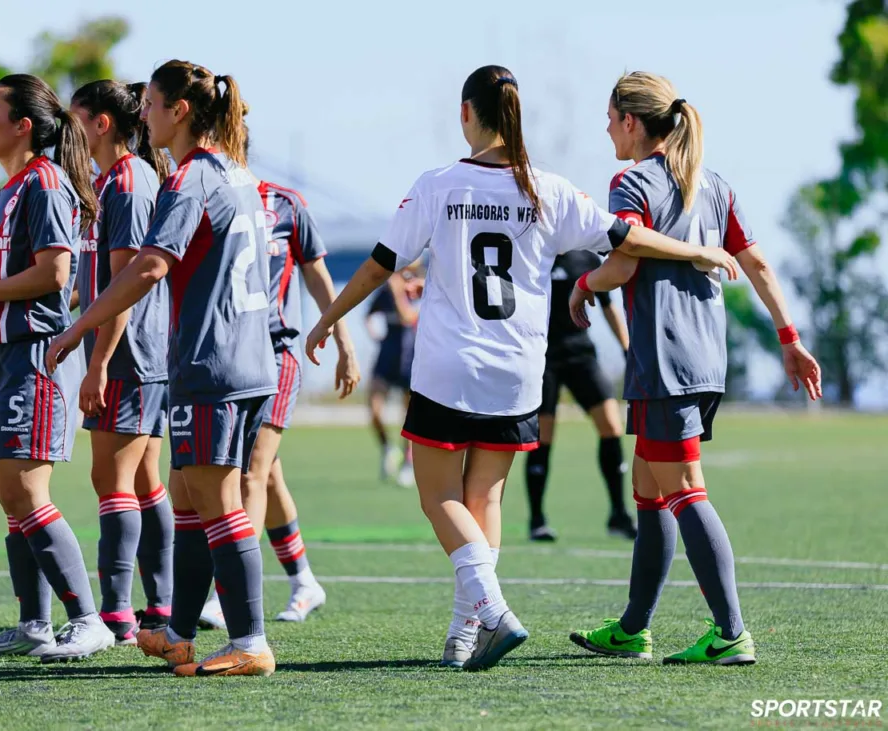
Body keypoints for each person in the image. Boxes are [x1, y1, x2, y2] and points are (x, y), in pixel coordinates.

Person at [304, 64, 739, 672]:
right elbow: (628, 240)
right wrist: (695, 250)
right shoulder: (550, 189)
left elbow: (381, 264)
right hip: (517, 374)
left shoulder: (438, 185)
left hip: (450, 369)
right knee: (484, 499)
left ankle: (493, 609)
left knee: (437, 497)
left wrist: (329, 319)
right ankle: (464, 635)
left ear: (466, 114)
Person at [568, 71, 822, 666]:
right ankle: (633, 629)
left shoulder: (632, 182)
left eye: (610, 118)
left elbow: (625, 261)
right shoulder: (713, 184)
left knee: (683, 488)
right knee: (648, 486)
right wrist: (789, 337)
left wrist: (582, 286)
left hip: (665, 357)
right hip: (704, 356)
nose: (606, 129)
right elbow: (757, 264)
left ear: (631, 122)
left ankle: (731, 632)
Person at [46, 60, 278, 678]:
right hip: (249, 361)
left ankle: (250, 641)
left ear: (180, 111)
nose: (142, 114)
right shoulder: (238, 173)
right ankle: (177, 632)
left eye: (150, 103)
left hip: (212, 363)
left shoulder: (189, 178)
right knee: (187, 497)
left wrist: (77, 329)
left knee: (218, 502)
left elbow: (149, 266)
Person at [0, 73, 114, 662]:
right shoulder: (6, 192)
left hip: (31, 355)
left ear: (23, 126)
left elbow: (55, 273)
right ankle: (33, 625)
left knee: (25, 490)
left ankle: (89, 621)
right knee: (9, 495)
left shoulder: (44, 182)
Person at [197, 166, 360, 630]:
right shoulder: (203, 197)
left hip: (276, 353)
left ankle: (230, 594)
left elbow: (318, 276)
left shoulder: (285, 204)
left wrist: (344, 344)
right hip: (228, 355)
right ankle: (305, 581)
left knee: (250, 470)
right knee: (266, 474)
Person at [68, 79, 174, 645]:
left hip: (130, 356)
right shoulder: (110, 181)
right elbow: (100, 279)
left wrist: (98, 363)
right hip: (136, 354)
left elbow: (127, 284)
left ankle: (115, 614)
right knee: (142, 479)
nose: (71, 132)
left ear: (101, 123)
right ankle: (159, 604)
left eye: (76, 119)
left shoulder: (129, 183)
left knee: (110, 479)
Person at [526, 250, 635, 542]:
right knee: (543, 435)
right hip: (542, 357)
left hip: (581, 354)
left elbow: (608, 305)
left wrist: (626, 348)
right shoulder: (534, 251)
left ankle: (618, 514)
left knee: (611, 425)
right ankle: (537, 519)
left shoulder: (586, 257)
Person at [364, 263, 423, 486]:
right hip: (387, 354)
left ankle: (408, 463)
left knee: (409, 416)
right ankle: (388, 448)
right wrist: (375, 335)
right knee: (374, 408)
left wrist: (398, 291)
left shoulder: (418, 289)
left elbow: (407, 317)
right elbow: (368, 315)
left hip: (411, 355)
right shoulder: (386, 291)